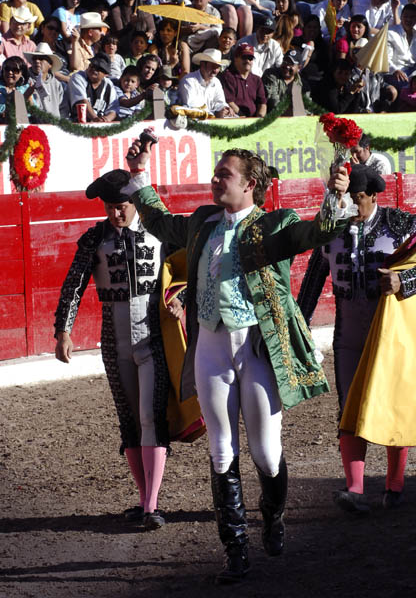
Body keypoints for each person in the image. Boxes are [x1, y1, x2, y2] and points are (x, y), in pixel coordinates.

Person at [126, 139, 351, 583]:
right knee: (221, 450)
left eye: (224, 174)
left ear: (249, 185)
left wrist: (336, 194)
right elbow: (159, 222)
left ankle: (272, 515)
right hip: (210, 346)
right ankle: (235, 551)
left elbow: (317, 233)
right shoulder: (201, 222)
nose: (215, 179)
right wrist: (139, 175)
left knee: (266, 453)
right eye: (215, 173)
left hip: (258, 346)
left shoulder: (275, 224)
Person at [297, 164, 416, 514]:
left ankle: (395, 484)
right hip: (348, 333)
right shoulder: (331, 229)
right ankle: (355, 489)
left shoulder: (401, 225)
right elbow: (312, 284)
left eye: (358, 198)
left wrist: (403, 282)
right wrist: (299, 326)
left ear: (374, 195)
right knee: (348, 406)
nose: (351, 206)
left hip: (390, 334)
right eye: (346, 199)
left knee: (394, 403)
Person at [54, 167, 184, 531]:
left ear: (135, 203)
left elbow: (188, 270)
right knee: (129, 420)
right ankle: (144, 501)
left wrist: (182, 299)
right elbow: (74, 284)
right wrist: (63, 331)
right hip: (113, 342)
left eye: (122, 206)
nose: (116, 213)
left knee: (150, 417)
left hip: (153, 339)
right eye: (110, 207)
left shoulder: (160, 231)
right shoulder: (95, 238)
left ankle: (152, 505)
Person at [178, 48, 234, 117]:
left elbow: (220, 102)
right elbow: (192, 107)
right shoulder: (188, 80)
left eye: (218, 67)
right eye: (212, 66)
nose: (215, 71)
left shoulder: (216, 82)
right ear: (202, 65)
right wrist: (216, 113)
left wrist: (225, 108)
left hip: (211, 120)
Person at [67, 52, 119, 121]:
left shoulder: (109, 84)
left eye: (99, 68)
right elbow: (82, 102)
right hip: (78, 123)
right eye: (92, 65)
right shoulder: (78, 77)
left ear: (106, 74)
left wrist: (106, 120)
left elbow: (114, 110)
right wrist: (95, 119)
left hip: (100, 124)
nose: (94, 69)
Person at [221, 42, 267, 117]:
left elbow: (262, 103)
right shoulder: (228, 76)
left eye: (250, 58)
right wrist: (244, 117)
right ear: (236, 59)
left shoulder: (257, 79)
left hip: (254, 119)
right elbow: (229, 102)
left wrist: (260, 118)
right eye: (244, 57)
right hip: (235, 118)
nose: (247, 61)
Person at [24, 42, 66, 118]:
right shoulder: (25, 81)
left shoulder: (57, 84)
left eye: (41, 58)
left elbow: (63, 109)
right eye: (34, 59)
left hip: (55, 123)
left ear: (50, 64)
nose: (37, 61)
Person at [0, 55, 31, 122]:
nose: (10, 72)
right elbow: (0, 110)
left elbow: (33, 112)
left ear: (22, 73)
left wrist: (29, 96)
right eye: (7, 69)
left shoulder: (26, 88)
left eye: (15, 70)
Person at [262, 48, 301, 113]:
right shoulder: (270, 74)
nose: (287, 66)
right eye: (285, 62)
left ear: (299, 68)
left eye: (291, 64)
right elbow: (273, 101)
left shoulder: (301, 84)